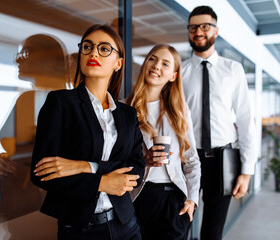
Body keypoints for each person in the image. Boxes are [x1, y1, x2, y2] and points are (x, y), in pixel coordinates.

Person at [31, 24, 145, 240]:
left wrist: (85, 166)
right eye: (88, 47)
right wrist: (101, 182)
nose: (93, 52)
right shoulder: (60, 103)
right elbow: (42, 174)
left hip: (126, 224)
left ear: (118, 63)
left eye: (104, 49)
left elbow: (137, 168)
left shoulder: (128, 115)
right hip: (80, 229)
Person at [181, 6, 257, 240]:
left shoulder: (233, 70)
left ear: (216, 31)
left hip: (222, 161)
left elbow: (245, 120)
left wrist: (246, 171)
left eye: (205, 26)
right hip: (186, 160)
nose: (199, 31)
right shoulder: (179, 72)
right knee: (179, 224)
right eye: (193, 27)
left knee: (212, 232)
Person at [128, 44, 201, 240]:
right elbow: (118, 159)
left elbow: (192, 159)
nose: (156, 66)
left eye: (165, 63)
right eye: (152, 59)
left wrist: (192, 199)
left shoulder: (179, 111)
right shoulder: (126, 109)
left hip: (173, 199)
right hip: (138, 197)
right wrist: (144, 160)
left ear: (173, 76)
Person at [0, 33, 68, 176]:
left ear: (52, 60)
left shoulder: (68, 102)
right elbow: (12, 150)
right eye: (20, 53)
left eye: (26, 52)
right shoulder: (27, 99)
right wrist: (3, 160)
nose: (18, 60)